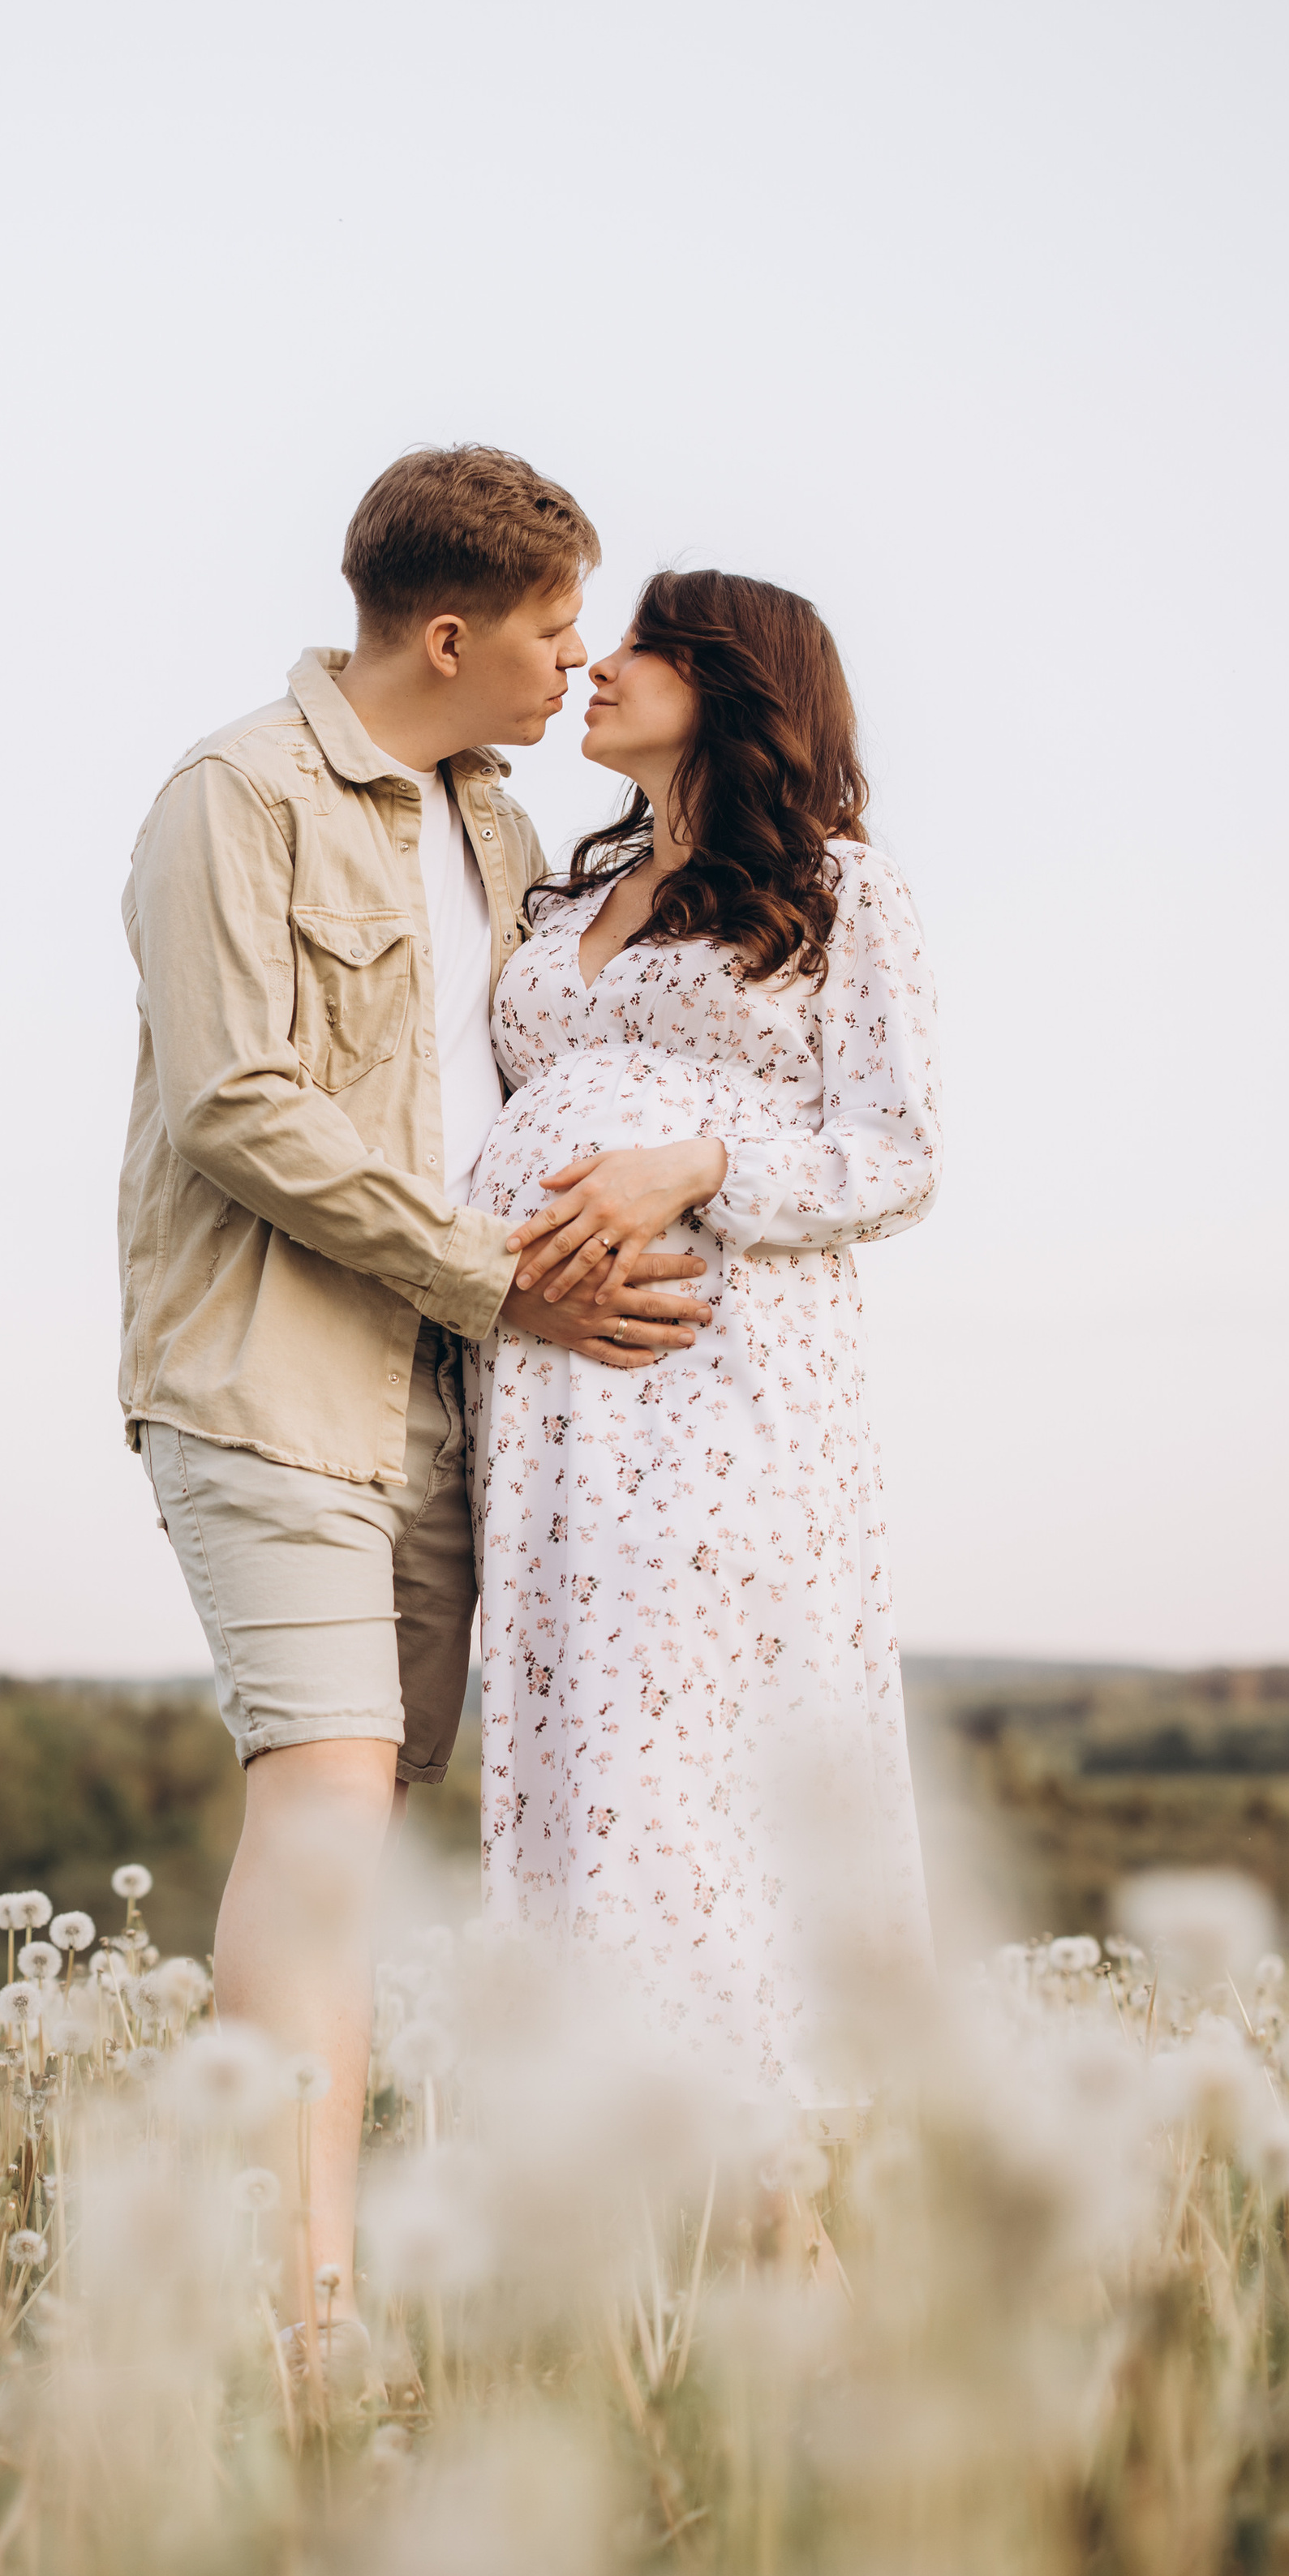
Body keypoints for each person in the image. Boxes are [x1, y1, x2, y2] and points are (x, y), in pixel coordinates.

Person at [116, 449, 719, 2329]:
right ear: (449, 634)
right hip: (266, 1380)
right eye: (549, 633)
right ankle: (297, 2325)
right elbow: (236, 1109)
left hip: (456, 1405)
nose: (572, 666)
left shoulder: (499, 835)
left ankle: (312, 2274)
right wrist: (503, 1286)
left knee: (357, 1842)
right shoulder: (234, 796)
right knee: (316, 1811)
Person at [466, 568, 939, 2098]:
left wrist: (701, 1166)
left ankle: (773, 2206)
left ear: (736, 684)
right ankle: (612, 2216)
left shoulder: (843, 890)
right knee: (579, 1756)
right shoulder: (561, 894)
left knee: (695, 1761)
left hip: (722, 1384)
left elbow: (898, 1153)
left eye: (650, 644)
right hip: (545, 1397)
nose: (598, 663)